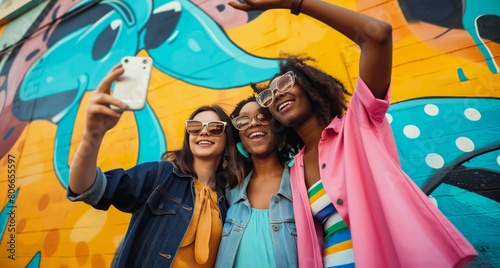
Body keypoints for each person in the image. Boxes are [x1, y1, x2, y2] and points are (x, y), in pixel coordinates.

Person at [230, 0, 478, 267]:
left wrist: (294, 3)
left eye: (285, 83)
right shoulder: (297, 167)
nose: (277, 93)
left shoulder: (360, 124)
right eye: (269, 95)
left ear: (310, 87)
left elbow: (377, 35)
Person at [67, 64, 245, 267]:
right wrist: (92, 135)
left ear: (227, 140)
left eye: (215, 128)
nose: (203, 132)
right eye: (194, 127)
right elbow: (88, 188)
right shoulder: (161, 176)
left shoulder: (227, 198)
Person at [215, 96, 302, 267]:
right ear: (239, 139)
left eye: (263, 117)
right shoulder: (229, 191)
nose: (253, 123)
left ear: (279, 129)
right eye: (243, 120)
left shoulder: (301, 182)